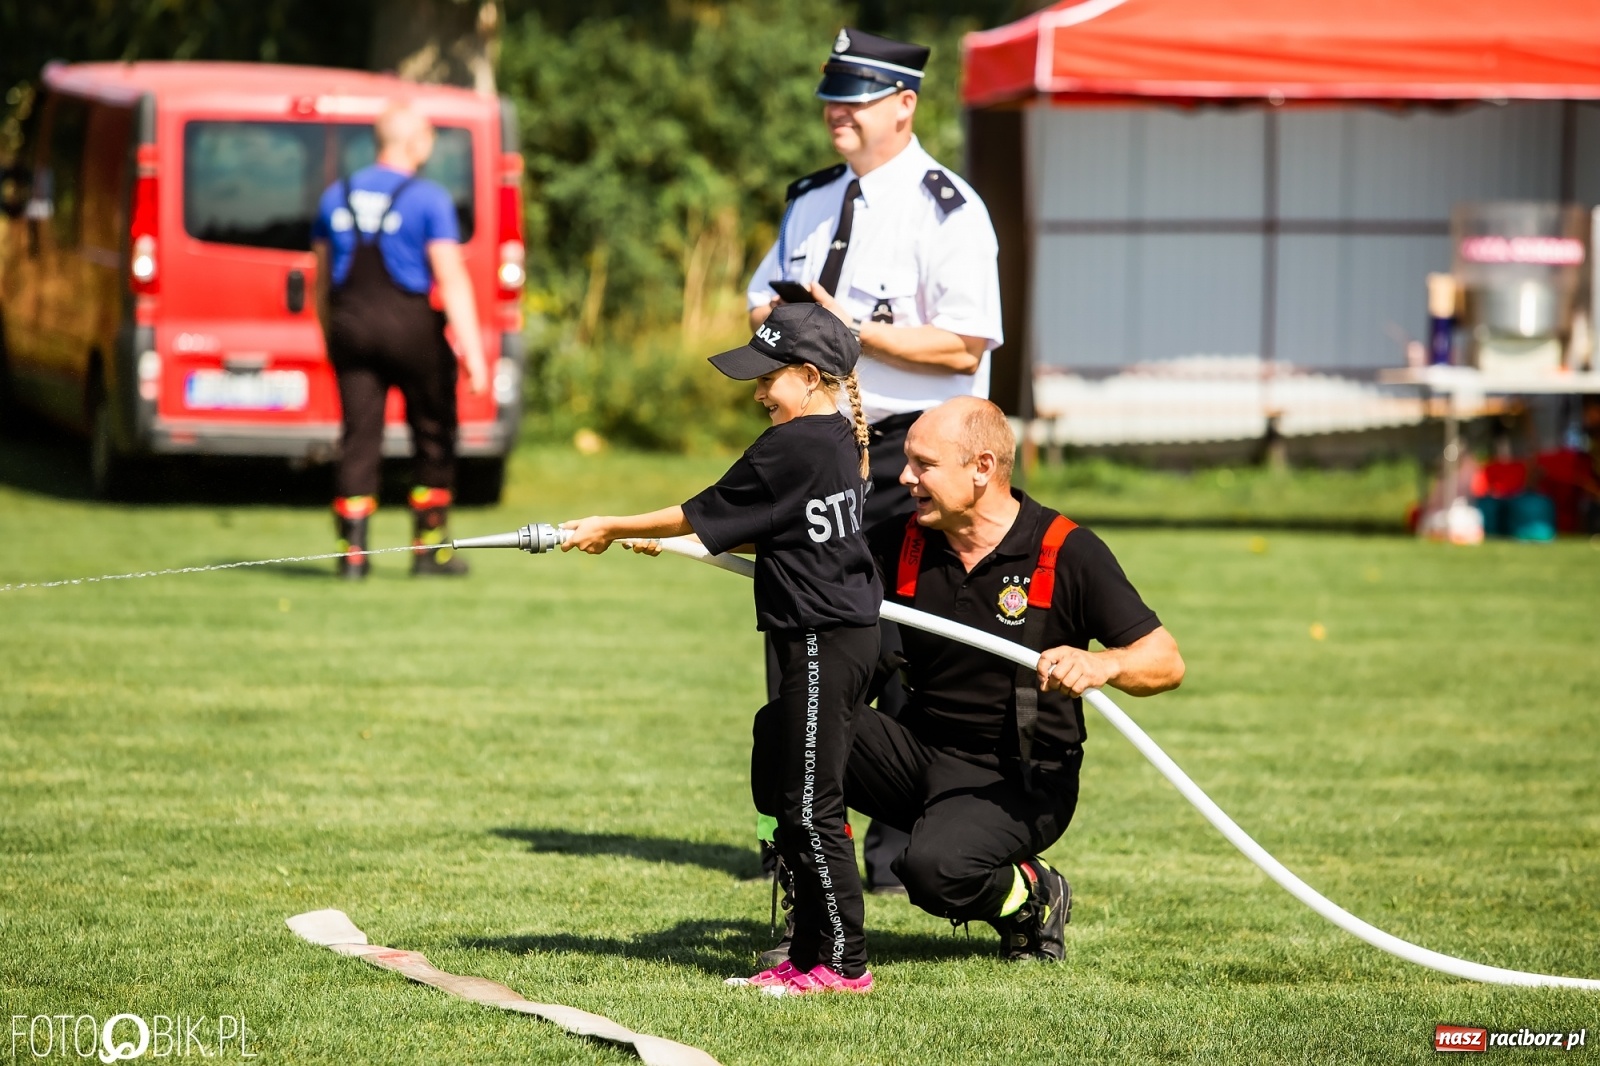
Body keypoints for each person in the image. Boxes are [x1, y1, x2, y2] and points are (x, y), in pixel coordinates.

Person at [746, 26, 1004, 896]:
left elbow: (966, 342)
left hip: (908, 453)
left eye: (854, 98)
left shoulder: (948, 208)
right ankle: (805, 836)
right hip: (817, 447)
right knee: (799, 642)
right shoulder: (812, 198)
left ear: (905, 105)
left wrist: (851, 333)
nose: (835, 113)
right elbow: (764, 293)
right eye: (831, 97)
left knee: (901, 651)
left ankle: (900, 843)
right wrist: (775, 321)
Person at [562, 303, 882, 994]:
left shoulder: (793, 445)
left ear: (806, 373)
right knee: (792, 790)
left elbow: (700, 509)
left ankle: (841, 966)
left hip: (824, 637)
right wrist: (683, 539)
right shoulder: (829, 439)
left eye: (769, 378)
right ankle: (805, 957)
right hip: (834, 637)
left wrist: (612, 525)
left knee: (810, 802)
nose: (758, 392)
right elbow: (758, 525)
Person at [845, 396, 1184, 961]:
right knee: (790, 725)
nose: (904, 478)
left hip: (1022, 777)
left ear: (982, 468)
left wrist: (1103, 663)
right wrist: (691, 533)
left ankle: (1033, 895)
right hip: (921, 750)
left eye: (923, 464)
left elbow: (1166, 660)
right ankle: (810, 919)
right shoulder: (901, 540)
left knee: (933, 872)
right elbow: (803, 550)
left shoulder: (1066, 550)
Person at [313, 103, 488, 580]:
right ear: (416, 141)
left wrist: (329, 336)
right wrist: (474, 354)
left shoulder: (334, 196)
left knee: (358, 440)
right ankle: (429, 551)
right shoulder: (428, 198)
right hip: (410, 330)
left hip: (351, 328)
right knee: (433, 436)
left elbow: (322, 280)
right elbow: (450, 278)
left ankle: (352, 557)